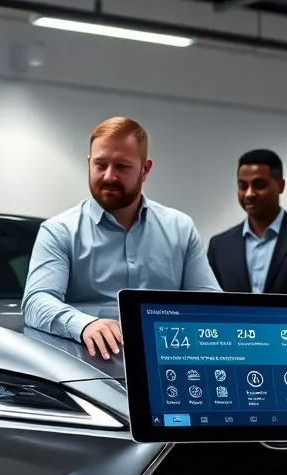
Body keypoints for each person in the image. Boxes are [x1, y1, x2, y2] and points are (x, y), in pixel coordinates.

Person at [21, 117, 220, 359]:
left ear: (145, 170)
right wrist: (84, 325)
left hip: (168, 363)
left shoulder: (180, 227)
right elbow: (36, 301)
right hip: (88, 366)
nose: (108, 176)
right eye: (100, 164)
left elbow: (211, 304)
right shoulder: (59, 230)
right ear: (89, 163)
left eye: (122, 167)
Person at [207, 149, 287, 295]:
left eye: (259, 185)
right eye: (242, 186)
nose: (249, 193)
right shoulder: (219, 245)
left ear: (280, 186)